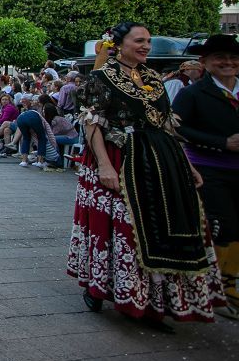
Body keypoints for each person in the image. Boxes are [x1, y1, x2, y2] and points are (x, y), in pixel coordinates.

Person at [68, 22, 224, 331]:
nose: (145, 46)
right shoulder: (99, 79)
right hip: (119, 156)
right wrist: (104, 164)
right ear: (119, 43)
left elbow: (166, 124)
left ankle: (152, 301)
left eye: (149, 41)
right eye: (139, 41)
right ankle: (102, 289)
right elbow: (92, 124)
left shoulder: (154, 78)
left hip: (159, 160)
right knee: (120, 228)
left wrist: (186, 164)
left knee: (160, 227)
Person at [172, 34, 239, 320]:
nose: (228, 62)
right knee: (224, 226)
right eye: (220, 58)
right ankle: (225, 288)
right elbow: (176, 128)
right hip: (210, 169)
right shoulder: (193, 94)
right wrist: (221, 143)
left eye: (233, 58)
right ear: (205, 62)